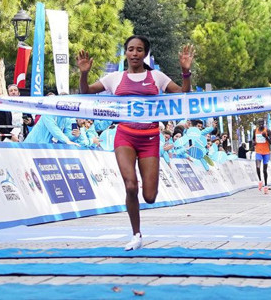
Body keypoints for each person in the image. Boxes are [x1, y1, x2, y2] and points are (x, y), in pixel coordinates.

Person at [77, 35, 194, 250]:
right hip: (125, 136)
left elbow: (183, 92)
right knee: (130, 185)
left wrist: (186, 71)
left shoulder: (156, 77)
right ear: (126, 52)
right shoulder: (114, 78)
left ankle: (140, 221)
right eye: (130, 49)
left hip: (150, 138)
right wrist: (83, 74)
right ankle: (136, 234)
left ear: (145, 53)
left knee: (149, 197)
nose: (134, 53)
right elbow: (85, 92)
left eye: (139, 50)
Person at [253, 120, 271, 194]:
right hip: (258, 152)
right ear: (258, 124)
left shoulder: (267, 131)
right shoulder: (255, 131)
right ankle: (260, 181)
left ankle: (265, 186)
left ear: (264, 124)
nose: (261, 125)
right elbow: (253, 139)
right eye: (260, 124)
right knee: (258, 167)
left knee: (264, 170)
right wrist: (253, 143)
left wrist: (266, 137)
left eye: (262, 123)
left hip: (266, 153)